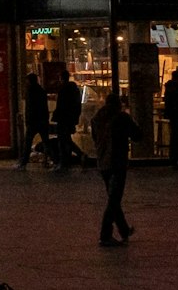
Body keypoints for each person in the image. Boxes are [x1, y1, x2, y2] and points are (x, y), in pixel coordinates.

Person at [90, 93, 140, 247]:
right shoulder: (121, 118)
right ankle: (105, 234)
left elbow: (94, 137)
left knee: (113, 197)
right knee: (114, 199)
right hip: (117, 162)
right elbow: (137, 135)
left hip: (103, 162)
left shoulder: (97, 118)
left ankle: (124, 230)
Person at [51, 66, 83, 171]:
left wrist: (56, 115)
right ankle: (77, 156)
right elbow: (77, 105)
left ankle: (64, 162)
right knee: (66, 140)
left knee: (62, 140)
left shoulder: (63, 90)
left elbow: (61, 106)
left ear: (61, 78)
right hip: (70, 118)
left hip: (63, 119)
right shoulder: (74, 90)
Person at [15, 71, 48, 170]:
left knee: (27, 142)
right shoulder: (41, 90)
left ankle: (23, 163)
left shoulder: (29, 91)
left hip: (33, 121)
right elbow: (44, 107)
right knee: (46, 142)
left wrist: (28, 120)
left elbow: (29, 108)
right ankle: (52, 160)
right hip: (42, 120)